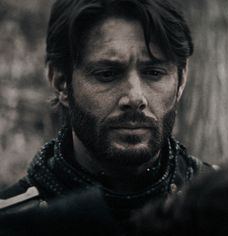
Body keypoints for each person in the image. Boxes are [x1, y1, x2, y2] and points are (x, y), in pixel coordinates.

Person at [0, 0, 214, 233]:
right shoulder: (13, 223)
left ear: (181, 79)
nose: (135, 97)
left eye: (153, 73)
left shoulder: (222, 208)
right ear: (61, 80)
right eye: (107, 74)